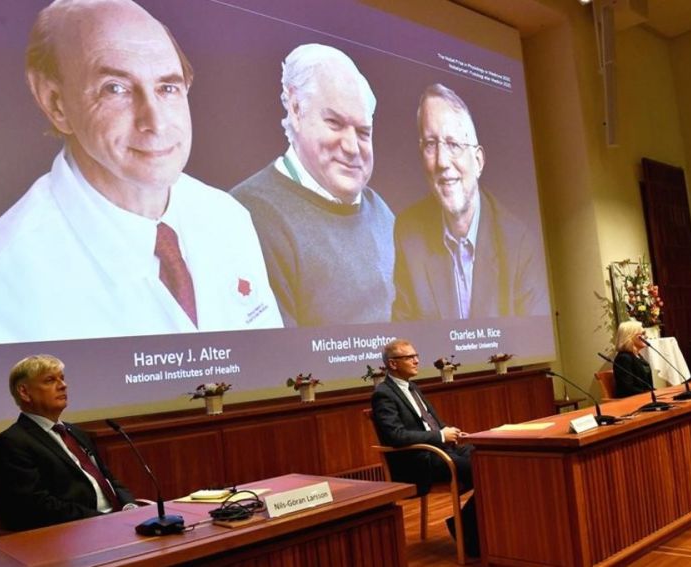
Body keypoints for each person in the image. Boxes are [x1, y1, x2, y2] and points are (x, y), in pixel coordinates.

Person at [0, 0, 282, 347]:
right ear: (55, 103)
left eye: (167, 87)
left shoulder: (227, 218)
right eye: (116, 89)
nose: (155, 122)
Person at [230, 43, 394, 327]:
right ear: (296, 109)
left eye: (363, 132)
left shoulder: (381, 213)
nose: (352, 147)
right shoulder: (245, 214)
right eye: (334, 123)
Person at [393, 83, 548, 321]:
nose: (442, 161)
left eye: (453, 145)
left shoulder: (519, 246)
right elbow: (403, 331)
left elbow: (531, 336)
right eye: (430, 144)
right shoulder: (408, 234)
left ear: (478, 161)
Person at [0, 355, 136, 531]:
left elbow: (109, 479)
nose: (63, 385)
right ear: (24, 392)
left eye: (62, 378)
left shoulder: (75, 432)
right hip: (73, 532)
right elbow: (36, 507)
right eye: (50, 380)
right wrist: (103, 520)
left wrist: (130, 507)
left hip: (114, 523)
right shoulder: (12, 443)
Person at [370, 338, 480, 557]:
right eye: (410, 357)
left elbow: (430, 422)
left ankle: (465, 527)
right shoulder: (383, 394)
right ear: (393, 363)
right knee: (482, 470)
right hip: (418, 460)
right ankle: (467, 532)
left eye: (416, 355)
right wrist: (440, 436)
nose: (416, 361)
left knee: (487, 458)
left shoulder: (412, 387)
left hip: (439, 451)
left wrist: (449, 431)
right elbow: (395, 436)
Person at [612, 320, 654, 398]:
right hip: (633, 401)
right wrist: (649, 394)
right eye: (643, 334)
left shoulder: (637, 356)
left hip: (645, 397)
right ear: (630, 336)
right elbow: (627, 389)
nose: (646, 337)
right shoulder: (623, 358)